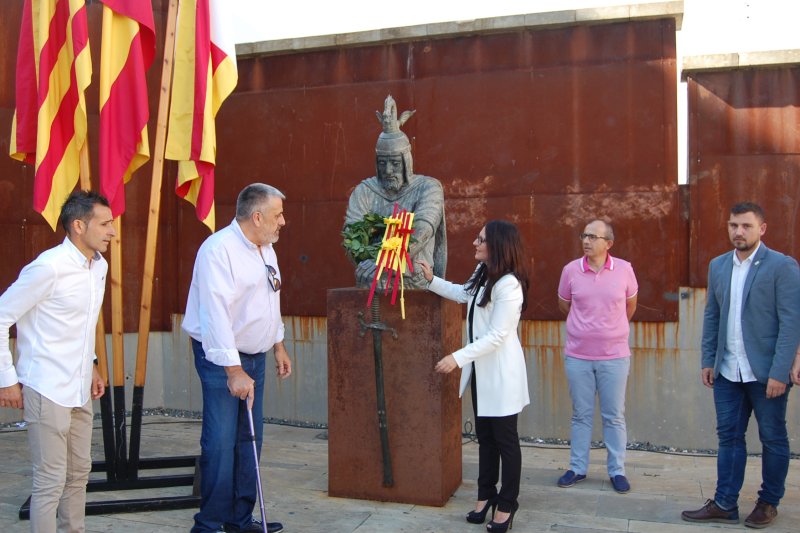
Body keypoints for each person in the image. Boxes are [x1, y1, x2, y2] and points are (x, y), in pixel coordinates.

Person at [682, 202, 800, 529]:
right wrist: (709, 359)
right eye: (733, 225)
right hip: (727, 373)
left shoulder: (782, 266)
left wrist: (780, 372)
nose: (738, 232)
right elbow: (712, 316)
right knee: (729, 437)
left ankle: (768, 502)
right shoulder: (718, 265)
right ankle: (724, 502)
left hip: (766, 374)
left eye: (746, 226)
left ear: (762, 229)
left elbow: (791, 323)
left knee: (773, 437)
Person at [0, 190, 113, 533]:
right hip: (46, 387)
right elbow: (2, 316)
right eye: (105, 224)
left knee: (79, 473)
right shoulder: (47, 268)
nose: (112, 231)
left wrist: (92, 363)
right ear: (79, 225)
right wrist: (7, 379)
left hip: (79, 388)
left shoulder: (99, 266)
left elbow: (83, 323)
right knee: (50, 479)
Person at [183, 183, 293, 533]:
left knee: (250, 437)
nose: (283, 222)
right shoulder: (219, 250)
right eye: (277, 215)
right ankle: (209, 524)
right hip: (221, 360)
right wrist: (233, 370)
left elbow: (270, 298)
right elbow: (215, 315)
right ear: (257, 216)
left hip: (256, 357)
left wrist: (278, 344)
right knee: (220, 439)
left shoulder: (266, 248)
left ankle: (240, 519)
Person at [419, 220, 529, 533]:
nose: (474, 243)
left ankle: (507, 504)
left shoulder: (509, 284)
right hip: (482, 372)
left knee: (506, 441)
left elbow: (497, 335)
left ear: (496, 245)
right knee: (485, 438)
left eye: (480, 239)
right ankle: (485, 496)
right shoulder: (484, 274)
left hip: (502, 376)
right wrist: (431, 280)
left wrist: (456, 357)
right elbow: (462, 293)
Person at [556, 219, 638, 494]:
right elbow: (564, 304)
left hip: (614, 356)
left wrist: (609, 331)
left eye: (593, 236)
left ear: (608, 243)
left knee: (614, 415)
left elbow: (630, 306)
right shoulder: (570, 270)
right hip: (578, 355)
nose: (586, 241)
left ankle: (617, 471)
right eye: (584, 235)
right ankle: (577, 467)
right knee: (581, 414)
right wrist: (585, 330)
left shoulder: (625, 270)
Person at [345, 95, 447, 289]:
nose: (389, 170)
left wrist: (384, 262)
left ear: (406, 162)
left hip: (415, 282)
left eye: (395, 163)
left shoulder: (428, 187)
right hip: (373, 284)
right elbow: (352, 233)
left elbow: (423, 227)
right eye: (382, 163)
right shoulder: (364, 192)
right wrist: (370, 264)